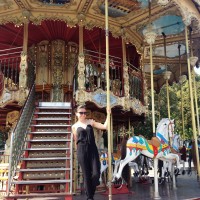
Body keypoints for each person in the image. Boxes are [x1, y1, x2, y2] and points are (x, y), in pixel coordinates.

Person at [72, 105, 109, 200]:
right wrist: (77, 153)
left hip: (92, 149)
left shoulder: (90, 122)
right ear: (76, 114)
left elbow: (104, 127)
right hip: (81, 151)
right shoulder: (74, 126)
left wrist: (108, 115)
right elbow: (76, 141)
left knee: (96, 173)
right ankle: (90, 197)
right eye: (81, 113)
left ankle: (90, 194)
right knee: (87, 175)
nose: (83, 114)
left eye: (85, 113)